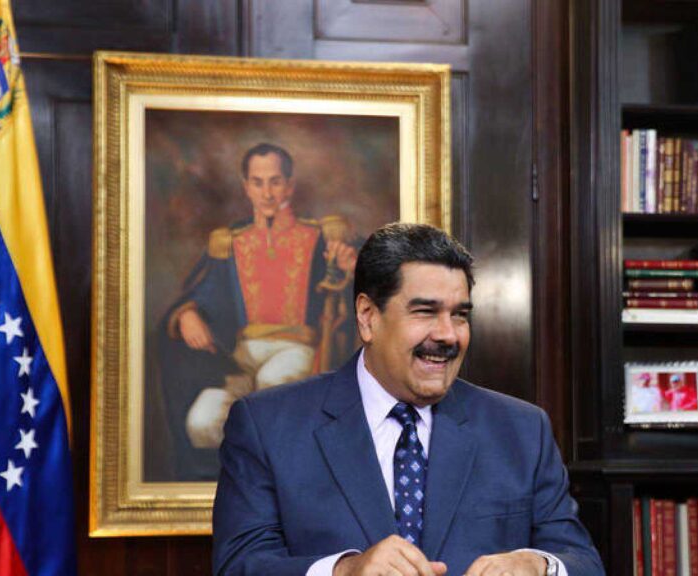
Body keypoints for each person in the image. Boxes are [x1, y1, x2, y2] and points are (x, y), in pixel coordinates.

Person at [212, 223, 605, 576]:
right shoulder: (268, 426)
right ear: (368, 316)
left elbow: (584, 563)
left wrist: (538, 566)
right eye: (425, 312)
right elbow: (239, 565)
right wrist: (343, 571)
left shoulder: (521, 430)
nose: (448, 334)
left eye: (460, 315)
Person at [157, 142, 357, 480]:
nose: (267, 192)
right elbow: (203, 293)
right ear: (246, 187)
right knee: (202, 422)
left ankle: (278, 480)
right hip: (240, 361)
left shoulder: (319, 236)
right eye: (258, 182)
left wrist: (348, 268)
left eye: (275, 182)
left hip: (298, 352)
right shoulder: (231, 242)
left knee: (271, 386)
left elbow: (346, 290)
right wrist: (188, 313)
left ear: (289, 186)